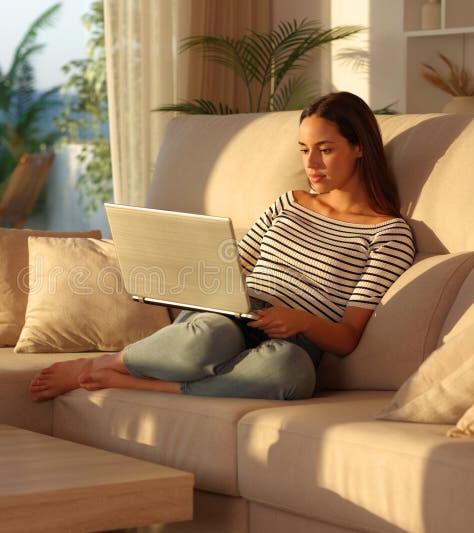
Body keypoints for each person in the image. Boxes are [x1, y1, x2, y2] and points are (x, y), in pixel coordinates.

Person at [30, 91, 415, 402]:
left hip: (295, 339)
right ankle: (105, 363)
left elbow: (347, 338)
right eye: (303, 149)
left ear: (360, 147)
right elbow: (230, 266)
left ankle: (144, 383)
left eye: (325, 149)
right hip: (234, 316)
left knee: (291, 375)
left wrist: (301, 321)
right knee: (210, 338)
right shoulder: (289, 203)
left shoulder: (388, 234)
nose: (311, 163)